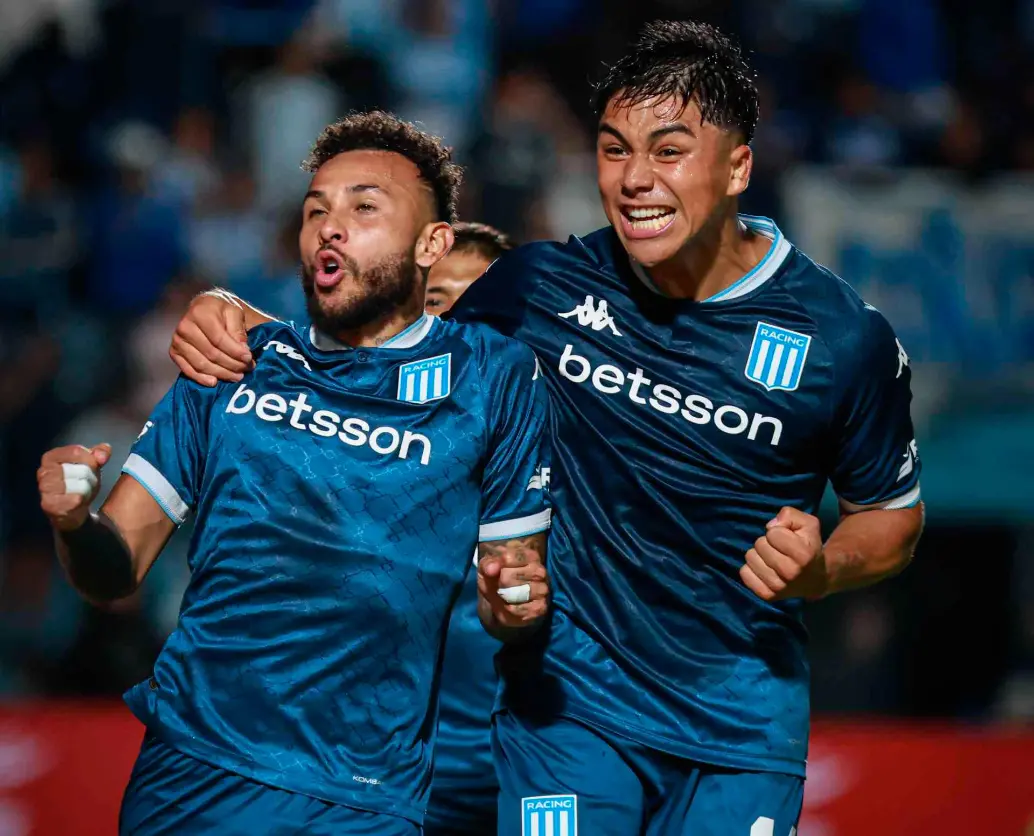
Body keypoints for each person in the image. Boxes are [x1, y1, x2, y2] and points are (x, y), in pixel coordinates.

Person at [167, 21, 925, 836]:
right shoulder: (539, 289)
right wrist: (239, 318)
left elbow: (893, 519)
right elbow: (380, 332)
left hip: (739, 728)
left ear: (738, 165)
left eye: (667, 151)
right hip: (567, 708)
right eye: (613, 149)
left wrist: (822, 567)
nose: (635, 179)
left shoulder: (842, 338)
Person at [37, 111, 553, 836]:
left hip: (368, 799)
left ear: (433, 242)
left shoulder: (493, 379)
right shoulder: (231, 364)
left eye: (364, 207)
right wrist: (73, 526)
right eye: (317, 210)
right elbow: (111, 571)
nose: (330, 226)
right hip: (194, 773)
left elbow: (513, 585)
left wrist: (516, 601)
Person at [422, 222, 515, 836]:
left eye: (479, 298)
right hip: (403, 778)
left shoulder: (574, 445)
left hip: (535, 770)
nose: (459, 317)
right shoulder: (359, 443)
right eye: (437, 300)